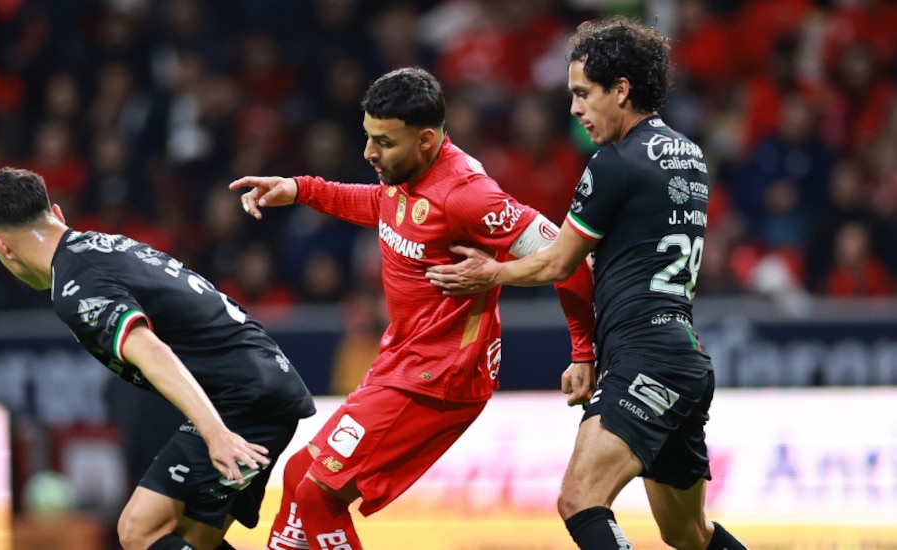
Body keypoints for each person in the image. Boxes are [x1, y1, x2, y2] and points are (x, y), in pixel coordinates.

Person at [229, 66, 596, 549]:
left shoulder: (468, 194)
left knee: (320, 494)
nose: (368, 153)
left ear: (425, 140)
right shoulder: (405, 173)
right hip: (401, 361)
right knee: (299, 477)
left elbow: (569, 260)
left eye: (383, 142)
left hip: (442, 378)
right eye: (367, 137)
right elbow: (381, 205)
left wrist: (583, 350)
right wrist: (300, 189)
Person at [425, 17, 748, 550]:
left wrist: (493, 272)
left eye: (582, 94)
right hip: (683, 358)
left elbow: (557, 262)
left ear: (621, 90)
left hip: (645, 359)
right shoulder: (689, 155)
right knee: (687, 533)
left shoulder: (615, 163)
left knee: (580, 499)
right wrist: (587, 351)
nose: (574, 109)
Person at [0, 167, 316, 550]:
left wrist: (214, 433)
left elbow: (151, 350)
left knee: (138, 532)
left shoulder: (75, 285)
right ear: (58, 213)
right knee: (191, 538)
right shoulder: (106, 246)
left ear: (1, 247)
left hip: (240, 399)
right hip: (265, 381)